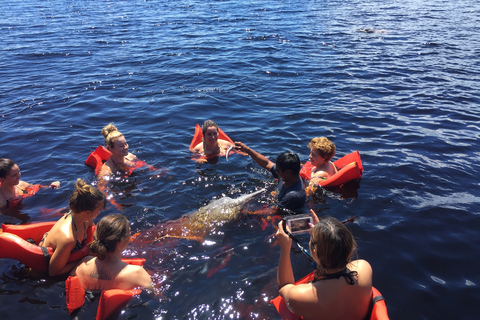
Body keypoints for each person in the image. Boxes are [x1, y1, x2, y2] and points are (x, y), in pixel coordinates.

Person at [276, 210, 372, 320]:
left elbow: (284, 287)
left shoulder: (301, 297)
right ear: (350, 249)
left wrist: (285, 248)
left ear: (314, 252)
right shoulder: (364, 268)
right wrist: (324, 237)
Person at [38, 179, 106, 276]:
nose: (100, 212)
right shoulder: (68, 239)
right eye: (99, 210)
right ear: (87, 212)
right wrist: (82, 260)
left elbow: (92, 233)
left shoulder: (85, 219)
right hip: (49, 273)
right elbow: (53, 272)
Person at [74, 214, 152, 291]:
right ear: (121, 241)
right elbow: (155, 295)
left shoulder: (83, 264)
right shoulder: (137, 273)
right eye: (129, 232)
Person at [234, 142, 306, 213]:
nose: (276, 172)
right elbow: (267, 164)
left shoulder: (293, 196)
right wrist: (247, 149)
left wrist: (247, 212)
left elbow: (273, 211)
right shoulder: (288, 175)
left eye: (278, 171)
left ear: (287, 172)